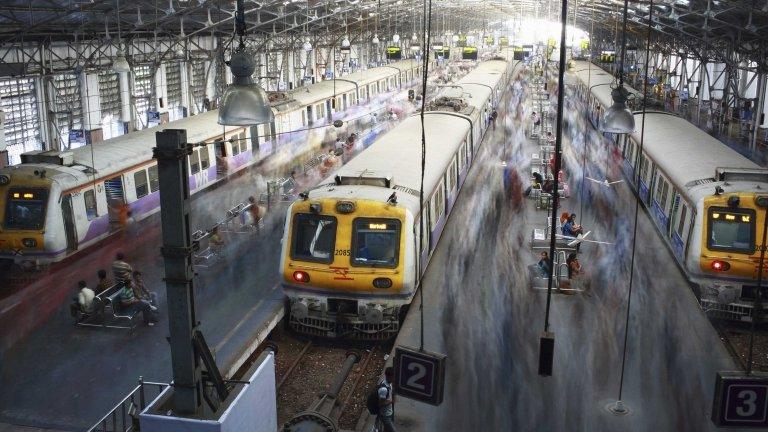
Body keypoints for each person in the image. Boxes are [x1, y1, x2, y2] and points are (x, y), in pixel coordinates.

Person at [377, 367, 397, 432]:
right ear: (389, 376)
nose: (394, 378)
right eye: (393, 377)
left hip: (389, 412)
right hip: (385, 415)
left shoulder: (389, 384)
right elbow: (381, 403)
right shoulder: (383, 389)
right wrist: (391, 401)